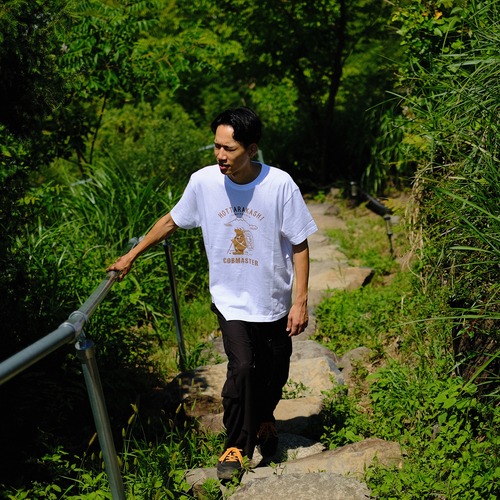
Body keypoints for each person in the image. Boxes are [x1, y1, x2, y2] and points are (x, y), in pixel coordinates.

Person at [107, 107, 317, 480]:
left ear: (251, 149)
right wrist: (131, 256)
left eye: (229, 149)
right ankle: (236, 446)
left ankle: (264, 417)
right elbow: (171, 221)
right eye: (217, 147)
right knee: (242, 368)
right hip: (229, 299)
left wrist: (299, 301)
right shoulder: (203, 182)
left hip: (272, 300)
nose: (220, 155)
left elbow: (299, 243)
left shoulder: (279, 185)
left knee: (274, 371)